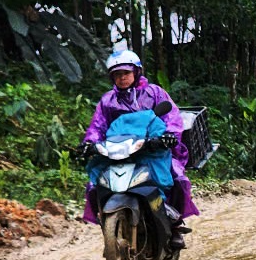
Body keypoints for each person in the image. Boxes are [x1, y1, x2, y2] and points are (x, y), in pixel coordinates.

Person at [79, 50, 197, 248]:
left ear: (136, 72)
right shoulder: (108, 100)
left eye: (125, 72)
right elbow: (97, 126)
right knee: (93, 185)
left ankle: (175, 225)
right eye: (117, 74)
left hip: (151, 151)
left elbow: (172, 118)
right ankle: (107, 221)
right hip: (117, 154)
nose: (122, 77)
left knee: (176, 177)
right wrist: (89, 144)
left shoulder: (154, 93)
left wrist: (167, 136)